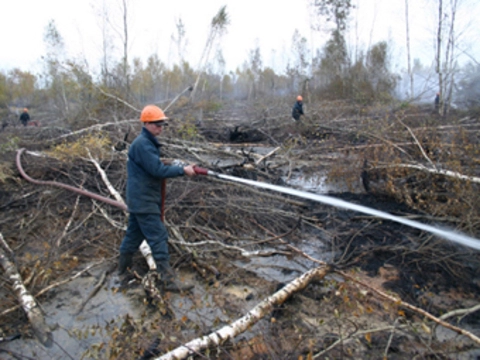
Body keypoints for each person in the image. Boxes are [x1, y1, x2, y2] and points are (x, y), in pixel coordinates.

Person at [118, 104, 196, 292]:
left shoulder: (146, 142)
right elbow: (157, 170)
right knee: (158, 237)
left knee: (133, 237)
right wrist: (182, 171)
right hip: (144, 201)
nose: (160, 128)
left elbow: (154, 164)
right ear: (146, 123)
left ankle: (123, 271)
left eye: (162, 124)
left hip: (140, 199)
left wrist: (178, 164)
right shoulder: (144, 144)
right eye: (157, 124)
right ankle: (168, 281)